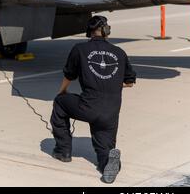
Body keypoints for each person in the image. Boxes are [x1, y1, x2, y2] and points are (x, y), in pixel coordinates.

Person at [50, 15, 136, 184]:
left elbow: (69, 75)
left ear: (89, 32)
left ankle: (63, 151)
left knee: (60, 103)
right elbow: (129, 82)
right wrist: (111, 84)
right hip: (111, 111)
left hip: (87, 106)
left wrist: (62, 92)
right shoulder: (119, 52)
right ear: (106, 31)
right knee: (104, 145)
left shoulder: (79, 49)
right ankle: (108, 163)